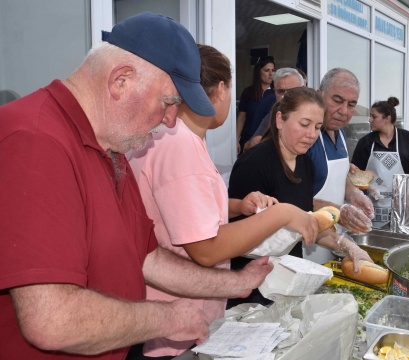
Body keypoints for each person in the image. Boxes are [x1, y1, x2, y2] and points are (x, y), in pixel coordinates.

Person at [0, 12, 272, 360]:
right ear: (121, 81)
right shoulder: (35, 140)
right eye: (169, 102)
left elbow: (148, 260)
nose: (171, 120)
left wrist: (238, 282)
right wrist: (166, 318)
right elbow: (51, 319)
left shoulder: (110, 149)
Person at [126, 46, 319, 359]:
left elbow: (180, 209)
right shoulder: (178, 145)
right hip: (170, 322)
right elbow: (206, 249)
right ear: (220, 89)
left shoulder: (179, 138)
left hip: (179, 312)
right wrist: (282, 214)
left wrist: (237, 207)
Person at [227, 87, 373, 307]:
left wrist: (348, 246)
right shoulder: (254, 164)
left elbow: (307, 224)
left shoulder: (306, 163)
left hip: (291, 283)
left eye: (317, 127)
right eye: (304, 125)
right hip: (254, 289)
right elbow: (235, 239)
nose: (311, 135)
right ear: (279, 120)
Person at [306, 68, 374, 263]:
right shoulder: (307, 138)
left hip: (335, 244)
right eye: (337, 101)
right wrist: (338, 211)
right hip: (307, 245)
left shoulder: (341, 134)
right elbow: (292, 198)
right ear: (319, 95)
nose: (344, 112)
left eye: (351, 104)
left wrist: (353, 194)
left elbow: (337, 176)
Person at [351, 97, 409, 227]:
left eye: (374, 117)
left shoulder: (407, 139)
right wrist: (369, 188)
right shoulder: (366, 143)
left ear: (387, 118)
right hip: (373, 209)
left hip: (403, 208)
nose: (370, 120)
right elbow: (355, 175)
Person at [243, 67, 304, 151]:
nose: (285, 96)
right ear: (274, 92)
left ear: (303, 90)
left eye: (291, 91)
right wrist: (254, 142)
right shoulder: (273, 115)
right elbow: (248, 147)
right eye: (280, 91)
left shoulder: (314, 112)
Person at [236, 56, 275, 154]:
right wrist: (236, 139)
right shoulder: (248, 92)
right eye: (267, 70)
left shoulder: (276, 93)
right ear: (259, 72)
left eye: (273, 70)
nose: (271, 74)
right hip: (247, 141)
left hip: (268, 142)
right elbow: (241, 117)